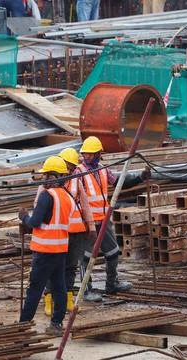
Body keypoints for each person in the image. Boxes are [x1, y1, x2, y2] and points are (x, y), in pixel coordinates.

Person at [78, 136, 150, 301]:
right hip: (88, 222)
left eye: (90, 154)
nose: (86, 157)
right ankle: (85, 291)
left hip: (103, 220)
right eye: (85, 154)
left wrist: (140, 177)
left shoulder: (104, 170)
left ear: (98, 154)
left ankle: (112, 283)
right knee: (86, 258)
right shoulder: (78, 172)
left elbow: (119, 182)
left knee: (112, 252)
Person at [18, 156, 76, 336]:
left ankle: (23, 326)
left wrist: (23, 217)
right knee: (59, 287)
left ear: (53, 176)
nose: (43, 180)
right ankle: (56, 324)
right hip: (60, 249)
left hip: (44, 251)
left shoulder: (47, 195)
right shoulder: (67, 197)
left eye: (45, 176)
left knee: (35, 288)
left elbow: (35, 222)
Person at [37, 148, 96, 317]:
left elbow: (85, 205)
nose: (70, 170)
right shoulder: (47, 184)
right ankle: (49, 298)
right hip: (57, 232)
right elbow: (39, 206)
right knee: (53, 266)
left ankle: (69, 298)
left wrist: (91, 227)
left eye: (71, 167)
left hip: (75, 232)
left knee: (70, 266)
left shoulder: (76, 180)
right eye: (67, 167)